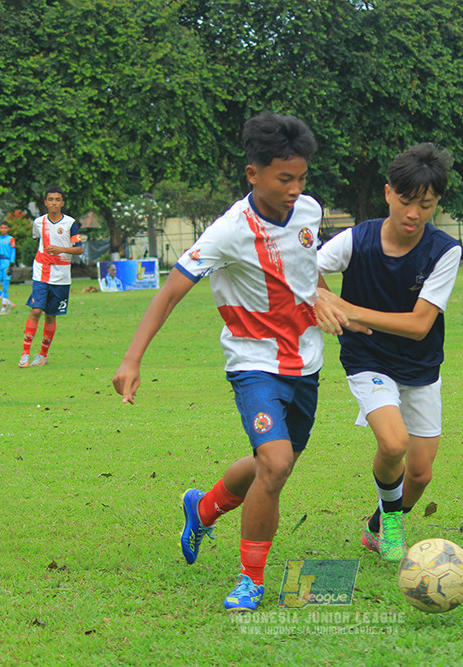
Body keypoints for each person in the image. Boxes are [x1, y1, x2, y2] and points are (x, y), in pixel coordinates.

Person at [112, 112, 349, 612]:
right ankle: (251, 579)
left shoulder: (308, 211)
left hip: (306, 362)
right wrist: (132, 359)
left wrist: (334, 307)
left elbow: (308, 276)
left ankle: (203, 508)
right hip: (252, 362)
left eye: (302, 177)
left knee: (273, 465)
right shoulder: (228, 232)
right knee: (277, 463)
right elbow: (169, 294)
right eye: (285, 178)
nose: (295, 188)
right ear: (253, 174)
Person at [316, 143, 462, 561]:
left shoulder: (444, 250)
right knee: (393, 443)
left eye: (426, 204)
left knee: (420, 473)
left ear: (436, 204)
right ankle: (394, 526)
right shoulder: (356, 240)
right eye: (405, 201)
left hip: (420, 364)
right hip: (368, 359)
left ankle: (378, 525)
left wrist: (350, 309)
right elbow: (303, 267)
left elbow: (419, 326)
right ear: (387, 193)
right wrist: (326, 304)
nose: (413, 214)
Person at [19, 187, 82, 367]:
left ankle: (43, 355)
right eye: (50, 199)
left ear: (62, 203)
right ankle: (25, 353)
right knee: (36, 310)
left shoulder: (70, 223)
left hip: (61, 276)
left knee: (51, 315)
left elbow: (79, 248)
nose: (54, 203)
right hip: (41, 271)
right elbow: (37, 240)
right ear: (45, 202)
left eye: (57, 199)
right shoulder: (39, 223)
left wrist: (61, 249)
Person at [0, 221, 17, 314]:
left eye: (5, 228)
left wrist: (11, 265)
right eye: (2, 228)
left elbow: (13, 252)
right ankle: (8, 302)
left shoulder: (11, 239)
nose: (3, 229)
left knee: (5, 286)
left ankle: (3, 308)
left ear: (8, 229)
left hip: (6, 263)